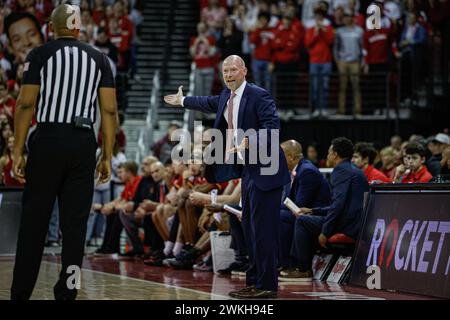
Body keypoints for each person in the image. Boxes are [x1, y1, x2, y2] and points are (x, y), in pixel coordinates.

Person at [11, 4, 117, 300]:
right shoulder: (99, 59)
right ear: (78, 27)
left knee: (34, 222)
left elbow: (24, 104)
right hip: (83, 143)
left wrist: (17, 150)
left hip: (48, 140)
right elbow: (109, 110)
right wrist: (106, 154)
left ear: (51, 27)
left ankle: (20, 293)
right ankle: (68, 292)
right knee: (75, 228)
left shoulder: (40, 54)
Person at [164, 55, 290, 298]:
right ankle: (255, 282)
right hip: (248, 172)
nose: (229, 74)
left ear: (244, 71)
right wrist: (182, 101)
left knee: (263, 232)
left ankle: (267, 286)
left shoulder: (258, 94)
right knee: (250, 230)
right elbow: (205, 102)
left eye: (233, 69)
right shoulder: (225, 96)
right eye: (225, 71)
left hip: (267, 171)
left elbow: (272, 127)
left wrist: (249, 141)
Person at [280, 137, 369, 281]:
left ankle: (303, 269)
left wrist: (325, 231)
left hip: (348, 225)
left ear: (335, 154)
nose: (327, 156)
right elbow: (338, 205)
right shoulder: (351, 169)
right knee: (306, 216)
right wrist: (313, 211)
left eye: (328, 153)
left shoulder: (341, 171)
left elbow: (338, 205)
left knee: (302, 221)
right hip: (351, 221)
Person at [278, 140, 331, 270]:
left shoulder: (307, 171)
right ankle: (273, 261)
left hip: (317, 215)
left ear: (290, 156)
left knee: (279, 216)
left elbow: (300, 205)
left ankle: (288, 264)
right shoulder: (297, 170)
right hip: (303, 213)